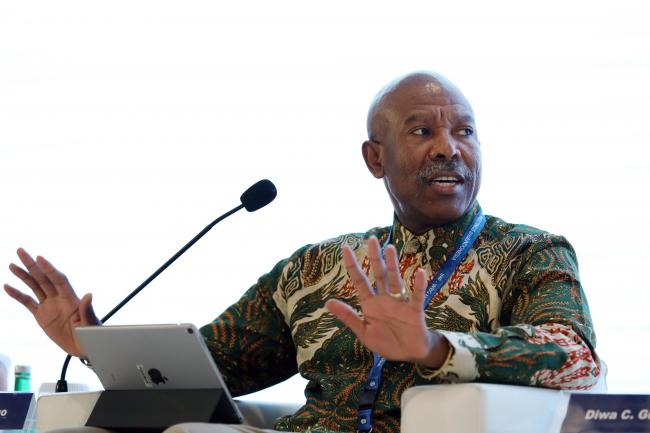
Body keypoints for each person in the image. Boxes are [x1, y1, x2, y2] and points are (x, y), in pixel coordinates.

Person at [4, 71, 600, 433]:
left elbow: (575, 357)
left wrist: (435, 347)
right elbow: (214, 366)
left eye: (464, 131)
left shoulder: (529, 250)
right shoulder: (315, 269)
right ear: (375, 158)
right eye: (422, 131)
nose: (450, 148)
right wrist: (91, 345)